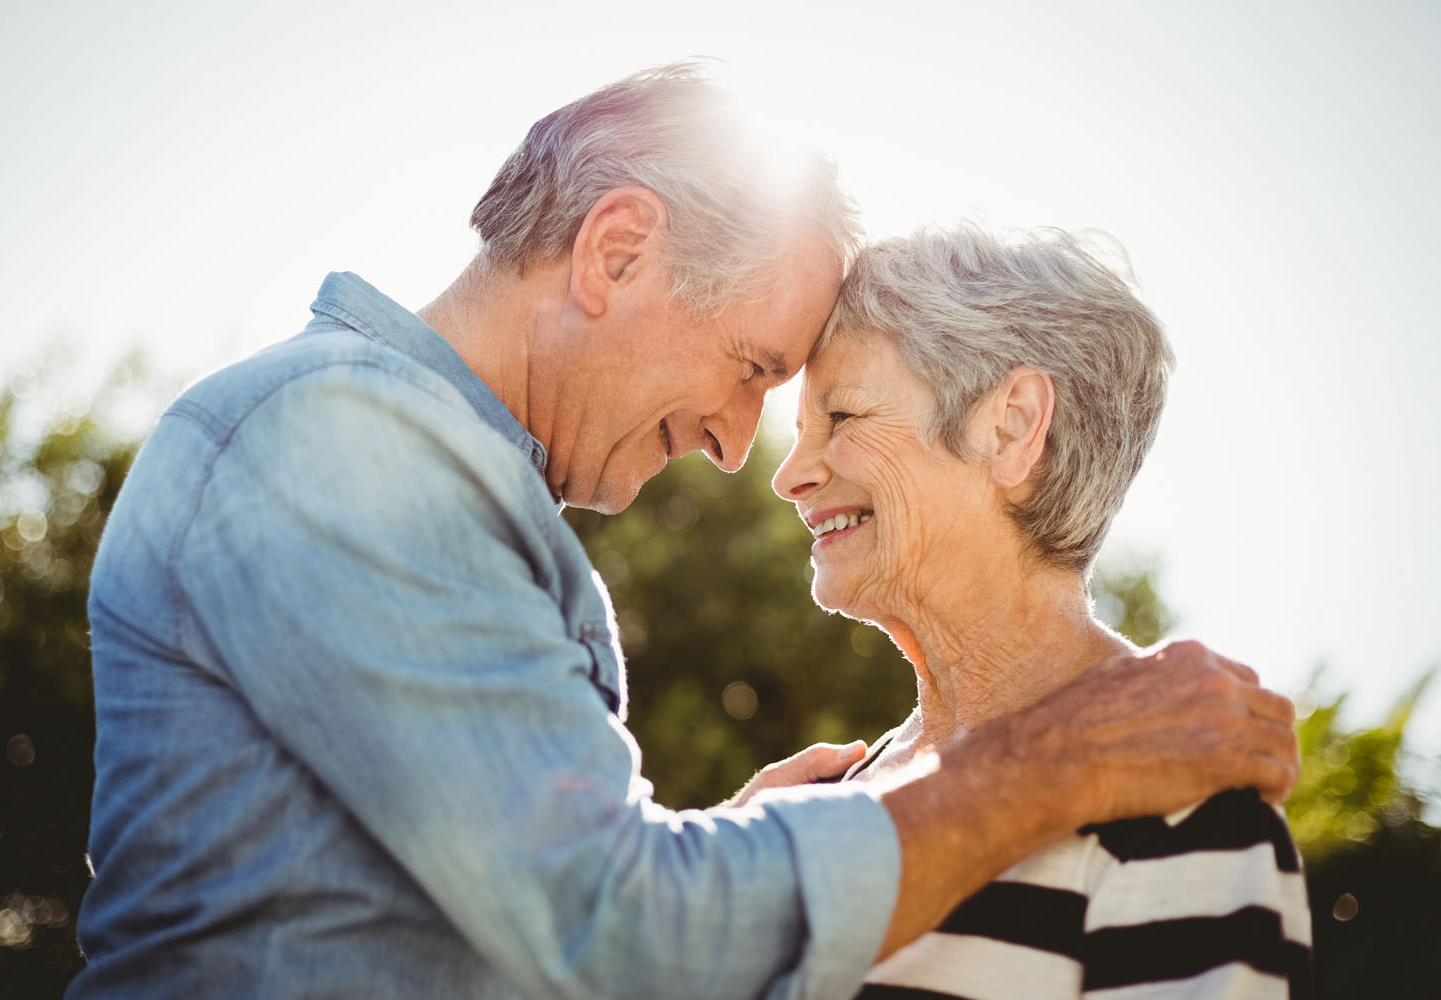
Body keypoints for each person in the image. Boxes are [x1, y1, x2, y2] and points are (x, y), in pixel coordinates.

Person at [70, 64, 1300, 999]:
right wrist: (1053, 764)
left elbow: (503, 919)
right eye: (755, 368)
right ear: (614, 253)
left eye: (829, 409)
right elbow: (613, 928)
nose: (739, 448)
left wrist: (721, 855)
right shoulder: (345, 446)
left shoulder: (403, 467)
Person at [771, 224, 1313, 998]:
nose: (789, 475)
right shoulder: (804, 809)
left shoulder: (1182, 796)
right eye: (800, 432)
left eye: (843, 418)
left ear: (1013, 426)